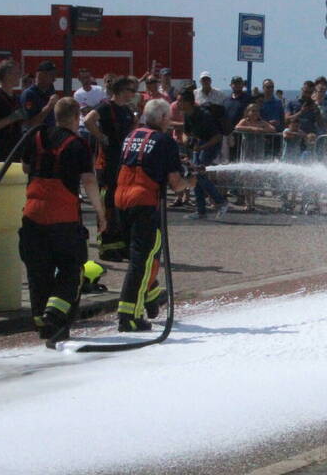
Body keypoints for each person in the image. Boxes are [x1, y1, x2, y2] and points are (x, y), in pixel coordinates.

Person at [18, 97, 107, 345]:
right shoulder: (77, 145)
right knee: (72, 268)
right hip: (63, 219)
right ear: (76, 116)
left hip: (32, 216)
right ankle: (56, 313)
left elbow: (25, 168)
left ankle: (44, 325)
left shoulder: (36, 137)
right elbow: (89, 181)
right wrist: (100, 213)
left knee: (38, 271)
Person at [114, 99, 193, 332]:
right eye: (168, 118)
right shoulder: (165, 141)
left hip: (121, 200)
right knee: (144, 260)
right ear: (160, 119)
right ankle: (129, 315)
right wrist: (191, 181)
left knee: (138, 257)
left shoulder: (131, 136)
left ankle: (150, 297)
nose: (170, 122)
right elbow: (176, 184)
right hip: (144, 202)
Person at [84, 75, 137, 260]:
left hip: (123, 164)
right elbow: (88, 120)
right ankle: (106, 246)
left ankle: (121, 244)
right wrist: (102, 137)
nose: (133, 94)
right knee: (107, 205)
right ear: (121, 90)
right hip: (107, 164)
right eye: (131, 90)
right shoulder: (106, 107)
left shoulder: (128, 111)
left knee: (121, 205)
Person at [177, 89, 231, 220]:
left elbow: (218, 137)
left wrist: (201, 147)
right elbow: (186, 132)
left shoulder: (204, 115)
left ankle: (221, 202)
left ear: (189, 102)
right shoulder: (187, 114)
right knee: (196, 176)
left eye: (180, 101)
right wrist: (187, 141)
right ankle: (201, 211)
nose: (178, 103)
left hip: (211, 145)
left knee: (198, 174)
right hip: (200, 144)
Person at [234, 103, 276, 211]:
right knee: (247, 177)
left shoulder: (262, 122)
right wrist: (252, 129)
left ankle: (253, 201)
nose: (255, 113)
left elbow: (272, 129)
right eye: (252, 111)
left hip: (258, 152)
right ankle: (248, 202)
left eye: (256, 111)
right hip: (247, 151)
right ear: (247, 112)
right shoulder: (245, 121)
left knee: (255, 177)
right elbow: (237, 127)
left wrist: (261, 130)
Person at [21, 60, 61, 131]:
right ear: (40, 75)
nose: (54, 79)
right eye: (51, 75)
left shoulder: (50, 91)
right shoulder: (29, 94)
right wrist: (49, 106)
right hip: (36, 137)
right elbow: (29, 124)